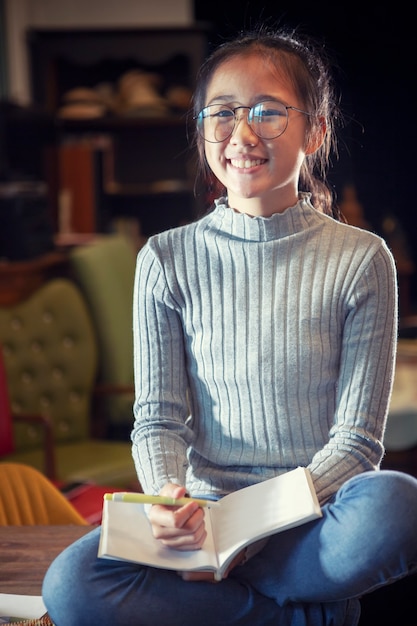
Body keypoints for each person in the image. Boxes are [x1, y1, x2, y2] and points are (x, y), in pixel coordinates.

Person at [42, 26, 417, 626]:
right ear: (201, 131)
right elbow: (159, 418)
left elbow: (357, 445)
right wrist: (168, 497)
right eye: (222, 113)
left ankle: (244, 593)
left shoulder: (362, 258)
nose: (242, 134)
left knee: (397, 505)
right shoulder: (164, 258)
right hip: (205, 518)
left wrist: (256, 527)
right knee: (70, 586)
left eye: (269, 112)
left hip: (310, 514)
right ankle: (303, 613)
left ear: (315, 131)